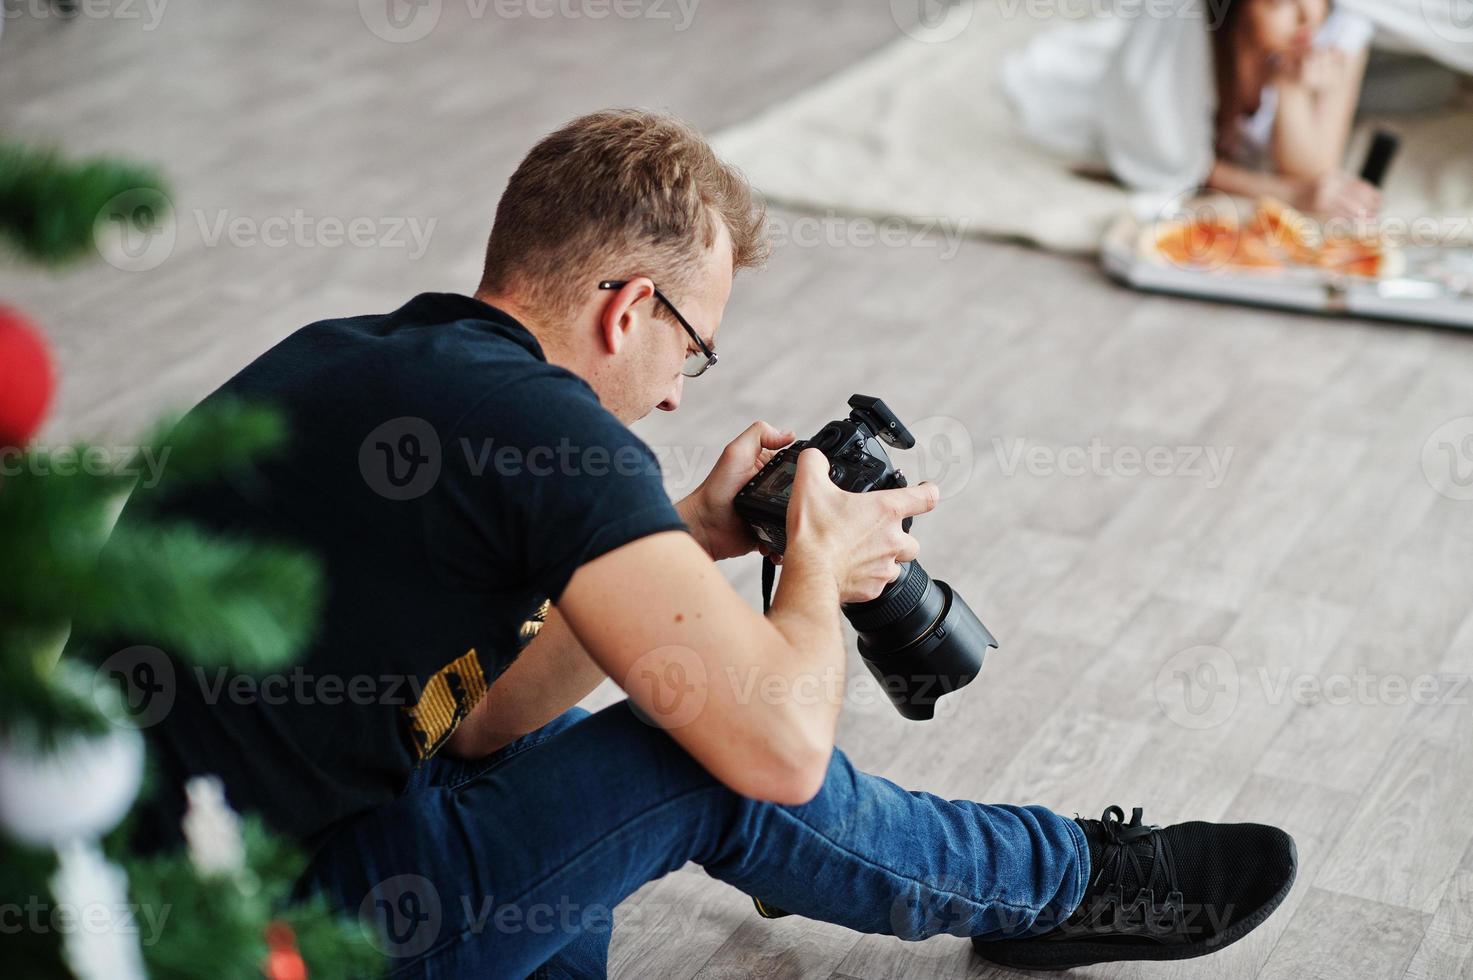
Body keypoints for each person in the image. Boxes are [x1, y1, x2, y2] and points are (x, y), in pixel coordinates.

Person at [102, 109, 1296, 977]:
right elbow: (776, 748)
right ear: (629, 306)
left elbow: (479, 716)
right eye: (694, 349)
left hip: (123, 886)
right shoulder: (555, 434)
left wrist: (693, 534)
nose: (679, 395)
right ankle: (1073, 883)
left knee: (582, 740)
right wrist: (817, 560)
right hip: (254, 942)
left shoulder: (352, 351)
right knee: (704, 756)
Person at [1003, 0, 1381, 218]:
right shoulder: (1192, 39)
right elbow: (1175, 159)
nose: (1307, 17)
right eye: (1279, 2)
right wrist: (1286, 196)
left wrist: (1288, 88)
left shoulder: (1338, 27)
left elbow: (1312, 170)